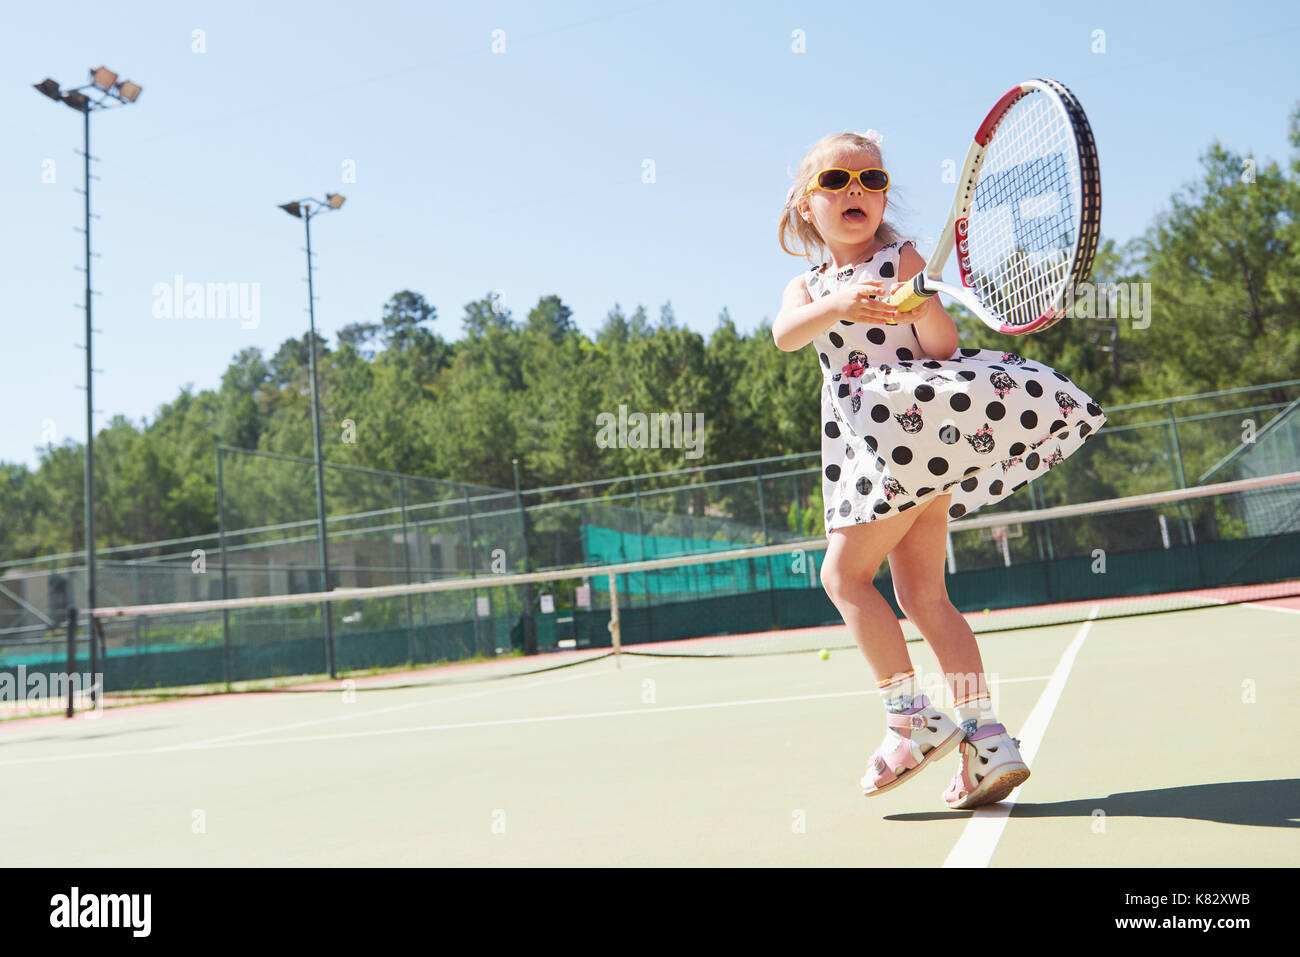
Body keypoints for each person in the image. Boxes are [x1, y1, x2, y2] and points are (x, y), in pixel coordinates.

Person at [771, 130, 1107, 809]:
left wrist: (919, 300)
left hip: (905, 436)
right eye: (835, 181)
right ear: (806, 206)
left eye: (871, 179)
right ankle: (986, 738)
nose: (855, 191)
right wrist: (839, 303)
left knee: (841, 576)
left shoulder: (905, 258)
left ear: (884, 194)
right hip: (899, 454)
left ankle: (912, 717)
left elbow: (942, 344)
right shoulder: (806, 287)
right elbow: (787, 332)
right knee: (926, 597)